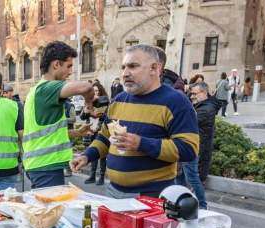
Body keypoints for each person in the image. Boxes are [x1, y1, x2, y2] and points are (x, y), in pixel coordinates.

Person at [70, 44, 199, 199]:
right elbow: (104, 138)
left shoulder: (176, 102)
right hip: (113, 191)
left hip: (152, 196)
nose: (125, 73)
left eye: (132, 66)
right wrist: (87, 156)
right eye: (123, 67)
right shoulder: (118, 100)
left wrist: (140, 143)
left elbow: (189, 149)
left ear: (154, 68)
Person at [22, 41, 94, 188]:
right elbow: (86, 87)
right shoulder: (47, 88)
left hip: (40, 166)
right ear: (56, 65)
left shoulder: (36, 90)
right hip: (46, 167)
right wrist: (89, 105)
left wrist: (76, 132)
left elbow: (46, 134)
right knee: (52, 210)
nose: (70, 72)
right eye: (68, 66)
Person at [178, 82, 216, 209]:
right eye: (191, 93)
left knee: (192, 178)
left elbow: (187, 121)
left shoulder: (207, 109)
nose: (192, 96)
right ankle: (182, 201)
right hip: (187, 146)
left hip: (194, 148)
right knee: (180, 177)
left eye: (195, 93)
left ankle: (202, 206)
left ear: (204, 93)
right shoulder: (200, 106)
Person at [83, 81, 109, 186]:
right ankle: (92, 176)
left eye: (97, 91)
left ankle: (101, 177)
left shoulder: (105, 103)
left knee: (102, 155)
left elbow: (107, 118)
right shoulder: (89, 102)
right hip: (90, 132)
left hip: (100, 131)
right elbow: (82, 117)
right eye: (93, 91)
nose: (96, 93)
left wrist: (98, 124)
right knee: (92, 153)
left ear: (101, 91)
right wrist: (86, 112)